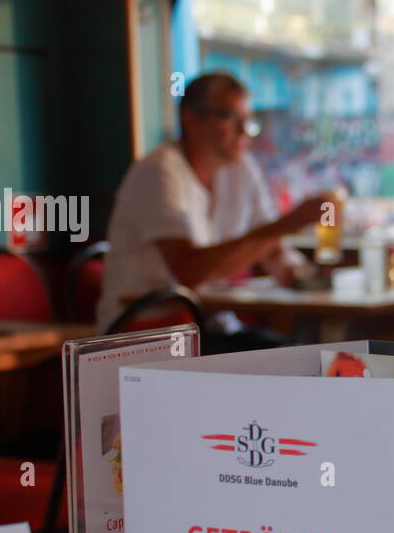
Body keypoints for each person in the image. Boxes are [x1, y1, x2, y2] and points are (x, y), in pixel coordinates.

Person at [96, 72, 334, 348]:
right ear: (190, 118)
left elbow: (271, 250)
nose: (244, 131)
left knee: (295, 356)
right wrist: (287, 223)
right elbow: (189, 271)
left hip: (206, 327)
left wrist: (303, 276)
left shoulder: (241, 168)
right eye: (229, 117)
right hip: (145, 336)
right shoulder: (158, 172)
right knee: (286, 358)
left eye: (248, 121)